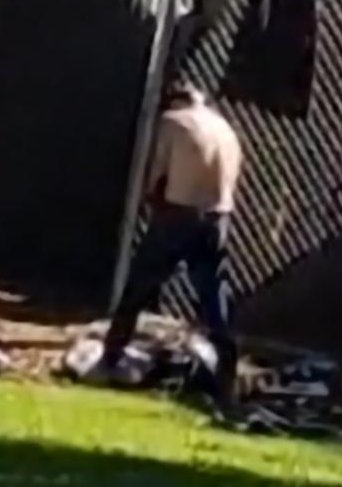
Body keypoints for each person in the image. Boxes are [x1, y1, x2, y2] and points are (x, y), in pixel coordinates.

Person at [97, 81, 244, 409]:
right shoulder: (225, 128)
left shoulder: (174, 122)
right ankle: (227, 366)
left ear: (176, 101)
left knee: (139, 284)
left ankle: (110, 357)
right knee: (212, 296)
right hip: (219, 217)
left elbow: (157, 173)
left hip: (179, 213)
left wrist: (153, 200)